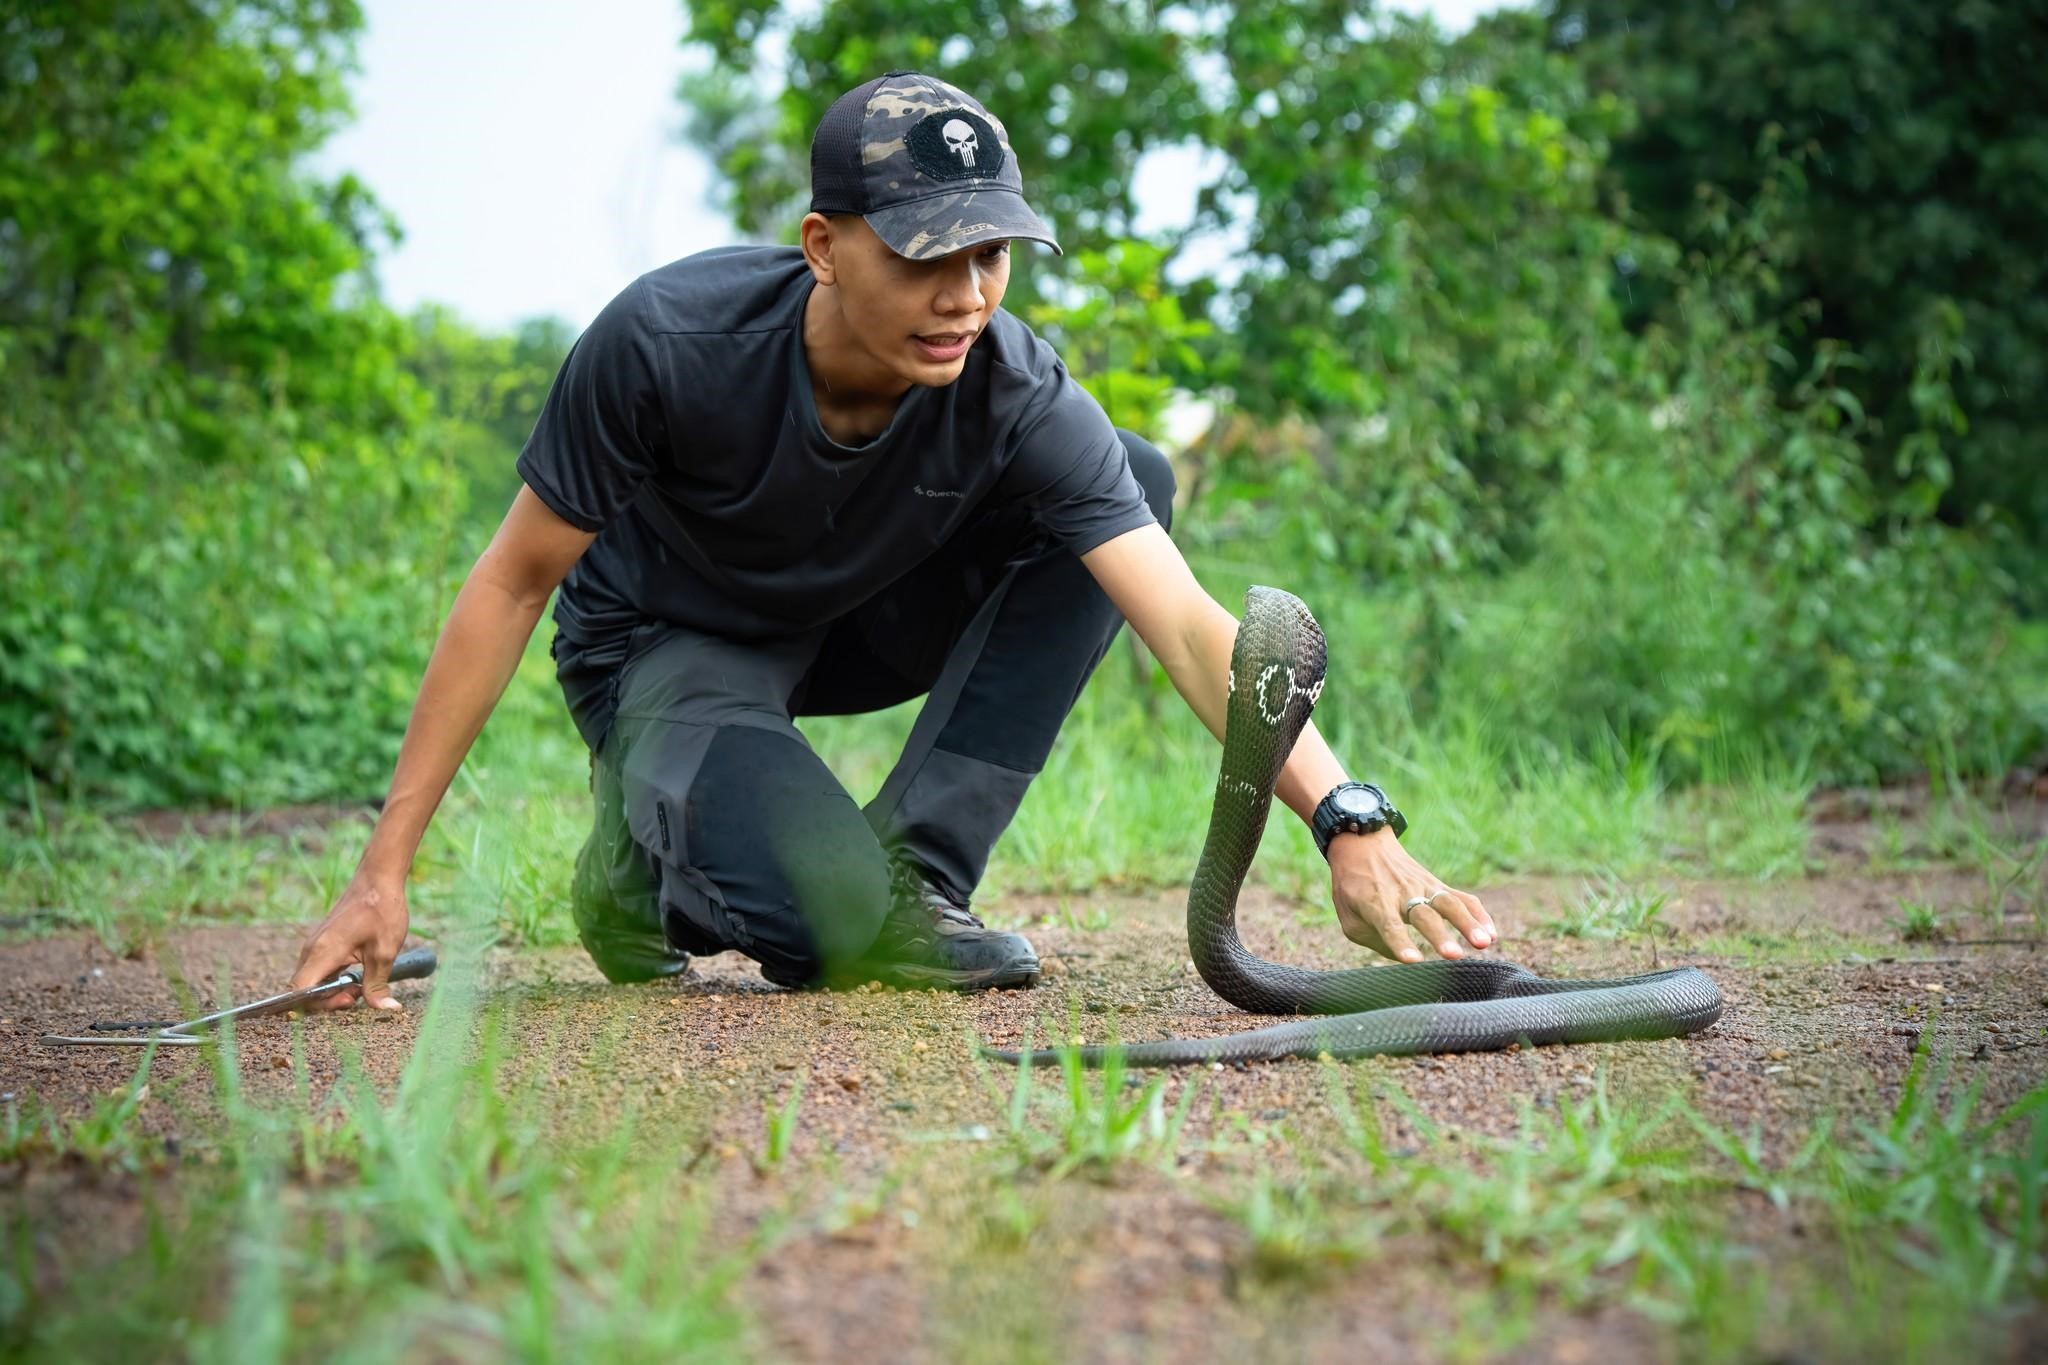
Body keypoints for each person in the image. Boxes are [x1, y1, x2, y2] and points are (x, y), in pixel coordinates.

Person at [288, 70, 1497, 1008]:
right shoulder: (667, 346)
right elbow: (508, 586)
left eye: (991, 256)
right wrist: (382, 868)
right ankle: (639, 874)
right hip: (668, 650)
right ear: (825, 247)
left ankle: (920, 873)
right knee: (831, 929)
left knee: (1122, 474)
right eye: (927, 254)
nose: (966, 295)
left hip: (856, 619)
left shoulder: (1011, 385)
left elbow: (1181, 621)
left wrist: (1348, 820)